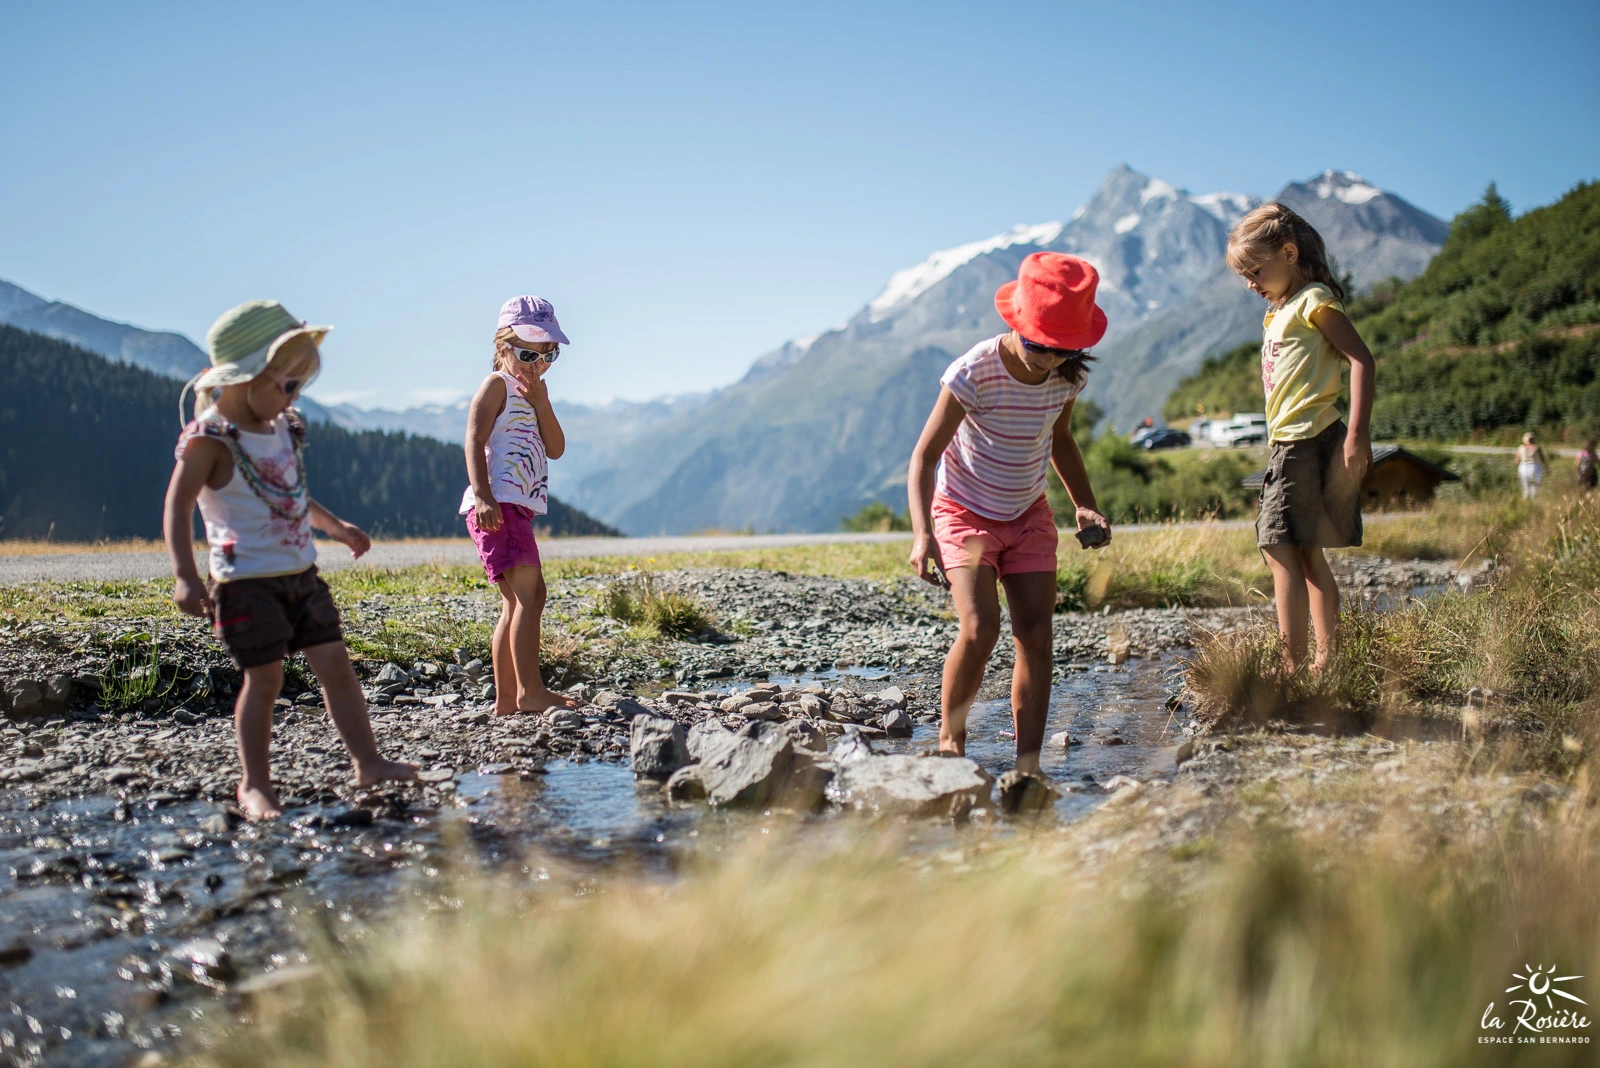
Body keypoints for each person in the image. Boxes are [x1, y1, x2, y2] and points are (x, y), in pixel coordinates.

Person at [164, 300, 417, 820]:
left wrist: (335, 526)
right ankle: (254, 784)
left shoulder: (280, 427)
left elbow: (291, 493)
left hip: (302, 574)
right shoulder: (211, 441)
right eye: (286, 385)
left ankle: (367, 761)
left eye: (298, 388)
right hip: (246, 583)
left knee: (338, 670)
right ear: (242, 378)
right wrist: (186, 576)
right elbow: (178, 504)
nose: (292, 399)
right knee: (265, 681)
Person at [907, 252, 1111, 781]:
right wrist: (922, 533)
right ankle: (951, 742)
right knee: (979, 628)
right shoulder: (974, 371)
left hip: (1028, 514)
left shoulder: (1065, 376)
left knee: (1037, 636)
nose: (1047, 358)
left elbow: (1060, 440)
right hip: (964, 512)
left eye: (1061, 349)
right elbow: (924, 457)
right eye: (1039, 345)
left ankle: (1028, 765)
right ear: (1016, 323)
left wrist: (1084, 503)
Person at [1226, 203, 1376, 675]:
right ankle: (1324, 662)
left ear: (1289, 252)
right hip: (1290, 443)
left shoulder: (1313, 301)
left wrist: (1357, 435)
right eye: (1244, 275)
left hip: (1306, 441)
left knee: (1279, 547)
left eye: (1256, 270)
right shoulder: (1279, 311)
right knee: (1306, 553)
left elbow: (1362, 361)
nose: (1251, 282)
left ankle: (1292, 664)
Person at [462, 296, 580, 716]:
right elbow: (474, 441)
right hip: (499, 506)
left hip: (517, 508)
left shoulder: (533, 393)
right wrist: (482, 495)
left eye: (549, 355)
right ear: (503, 348)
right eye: (528, 353)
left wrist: (542, 403)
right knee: (531, 597)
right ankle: (531, 691)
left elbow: (557, 448)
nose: (538, 364)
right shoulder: (496, 385)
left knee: (517, 602)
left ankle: (507, 700)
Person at [1516, 433, 1547, 499]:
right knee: (1535, 487)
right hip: (1535, 467)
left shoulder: (1521, 447)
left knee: (1525, 488)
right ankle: (1533, 502)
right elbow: (1542, 459)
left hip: (1523, 468)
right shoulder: (1537, 447)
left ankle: (1524, 502)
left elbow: (1517, 461)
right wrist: (1547, 469)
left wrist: (1517, 470)